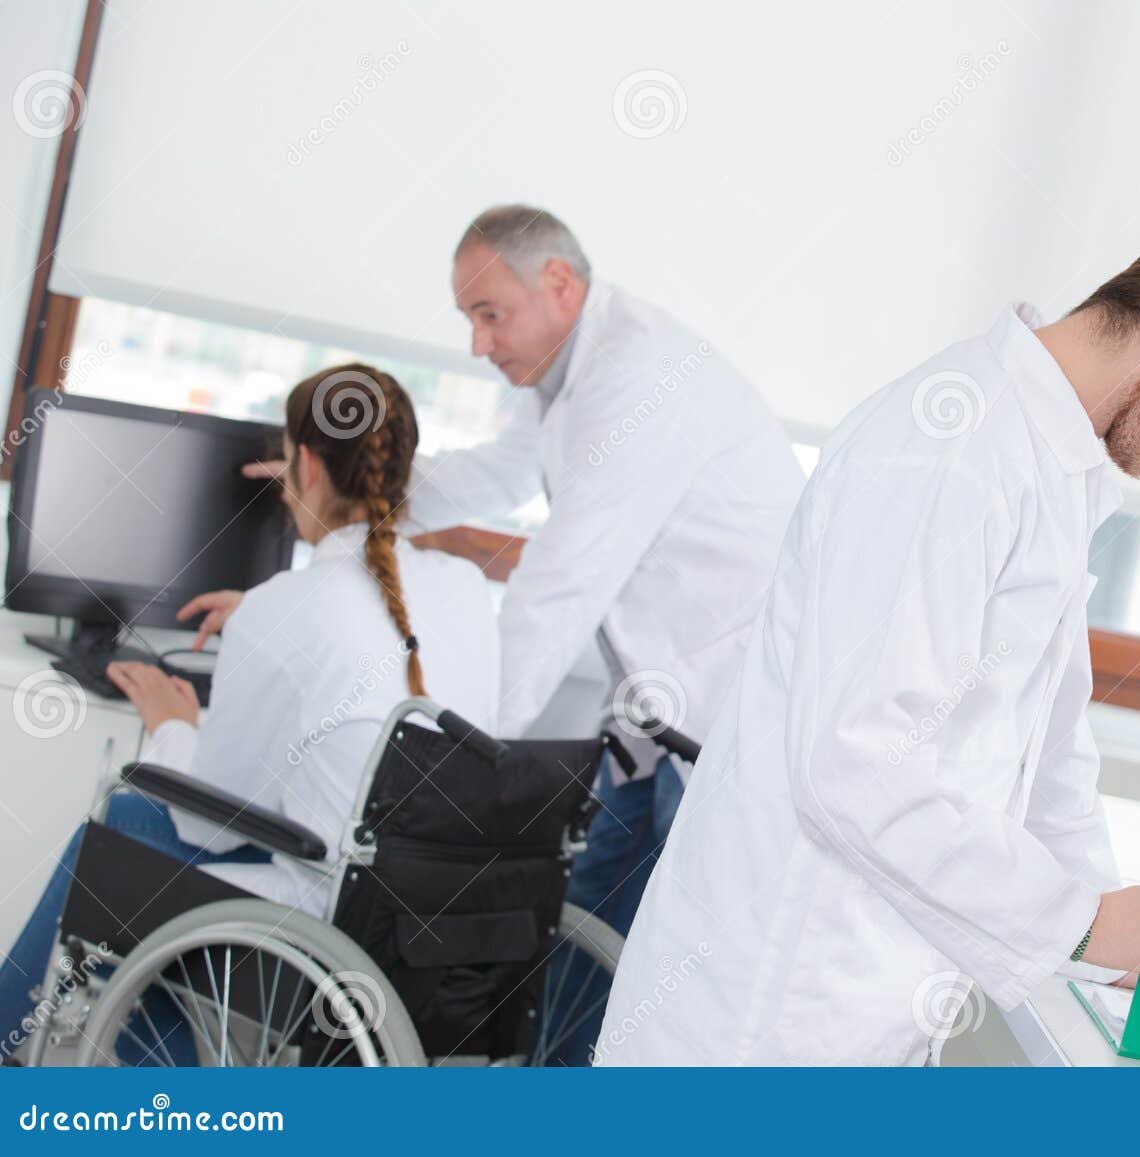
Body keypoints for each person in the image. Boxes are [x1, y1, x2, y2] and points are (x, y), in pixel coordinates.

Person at [595, 194, 1140, 1065]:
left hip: (865, 1002)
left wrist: (1119, 926)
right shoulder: (952, 447)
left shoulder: (1055, 466)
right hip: (762, 1021)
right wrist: (1083, 924)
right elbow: (854, 764)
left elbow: (1048, 752)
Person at [243, 207, 804, 1061]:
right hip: (660, 728)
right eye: (468, 319)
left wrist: (450, 762)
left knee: (655, 996)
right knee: (572, 973)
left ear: (559, 285)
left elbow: (559, 588)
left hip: (725, 734)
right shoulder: (566, 376)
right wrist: (346, 483)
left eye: (488, 315)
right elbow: (498, 474)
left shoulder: (639, 377)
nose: (476, 344)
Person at [0, 365, 498, 1060]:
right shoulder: (467, 589)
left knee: (121, 842)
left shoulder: (287, 607)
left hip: (327, 930)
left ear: (309, 464)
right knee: (132, 833)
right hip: (441, 931)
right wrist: (266, 629)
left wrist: (175, 718)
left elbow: (204, 820)